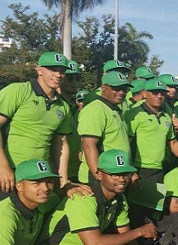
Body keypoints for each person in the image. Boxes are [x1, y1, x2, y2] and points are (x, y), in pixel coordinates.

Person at [41, 149, 157, 245]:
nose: (122, 179)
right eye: (114, 174)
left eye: (126, 174)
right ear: (99, 175)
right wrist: (140, 231)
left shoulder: (120, 199)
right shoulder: (83, 197)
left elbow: (126, 237)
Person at [0, 51, 72, 198]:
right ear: (39, 70)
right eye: (53, 70)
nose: (58, 75)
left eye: (62, 71)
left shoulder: (63, 106)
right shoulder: (18, 91)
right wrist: (3, 167)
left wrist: (63, 180)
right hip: (11, 173)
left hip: (40, 176)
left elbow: (61, 144)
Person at [77, 71, 132, 183]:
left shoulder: (114, 110)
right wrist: (99, 176)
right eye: (116, 88)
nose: (121, 92)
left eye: (124, 89)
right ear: (103, 88)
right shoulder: (95, 109)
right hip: (99, 178)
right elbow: (89, 145)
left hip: (114, 176)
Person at [58, 60, 84, 183]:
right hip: (57, 172)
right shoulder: (53, 105)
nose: (74, 82)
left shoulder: (77, 108)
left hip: (77, 170)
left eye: (77, 78)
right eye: (69, 78)